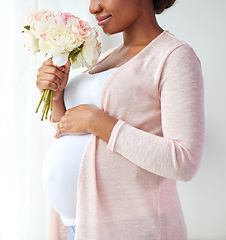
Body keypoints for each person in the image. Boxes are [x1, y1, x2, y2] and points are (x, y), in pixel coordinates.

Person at [36, 0, 205, 239]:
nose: (93, 7)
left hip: (130, 229)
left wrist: (100, 123)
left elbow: (184, 161)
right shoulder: (105, 57)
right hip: (76, 226)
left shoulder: (174, 57)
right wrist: (57, 97)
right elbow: (75, 133)